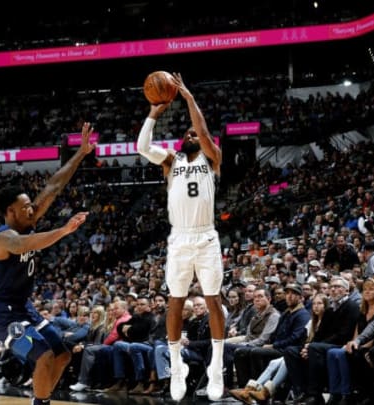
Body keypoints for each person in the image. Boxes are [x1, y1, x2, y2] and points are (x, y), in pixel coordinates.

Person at [0, 122, 95, 405]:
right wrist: (64, 230)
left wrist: (80, 153)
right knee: (44, 355)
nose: (31, 209)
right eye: (24, 207)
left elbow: (54, 185)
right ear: (10, 212)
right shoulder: (3, 239)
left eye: (30, 205)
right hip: (3, 315)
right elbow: (27, 245)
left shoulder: (28, 220)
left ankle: (39, 400)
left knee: (63, 354)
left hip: (24, 308)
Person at [136, 72, 225, 401]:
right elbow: (142, 147)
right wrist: (153, 114)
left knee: (213, 300)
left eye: (195, 133)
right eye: (186, 133)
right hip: (180, 239)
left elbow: (201, 130)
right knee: (175, 302)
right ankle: (176, 365)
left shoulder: (211, 159)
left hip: (206, 238)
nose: (191, 134)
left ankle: (216, 366)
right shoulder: (171, 161)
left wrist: (187, 97)